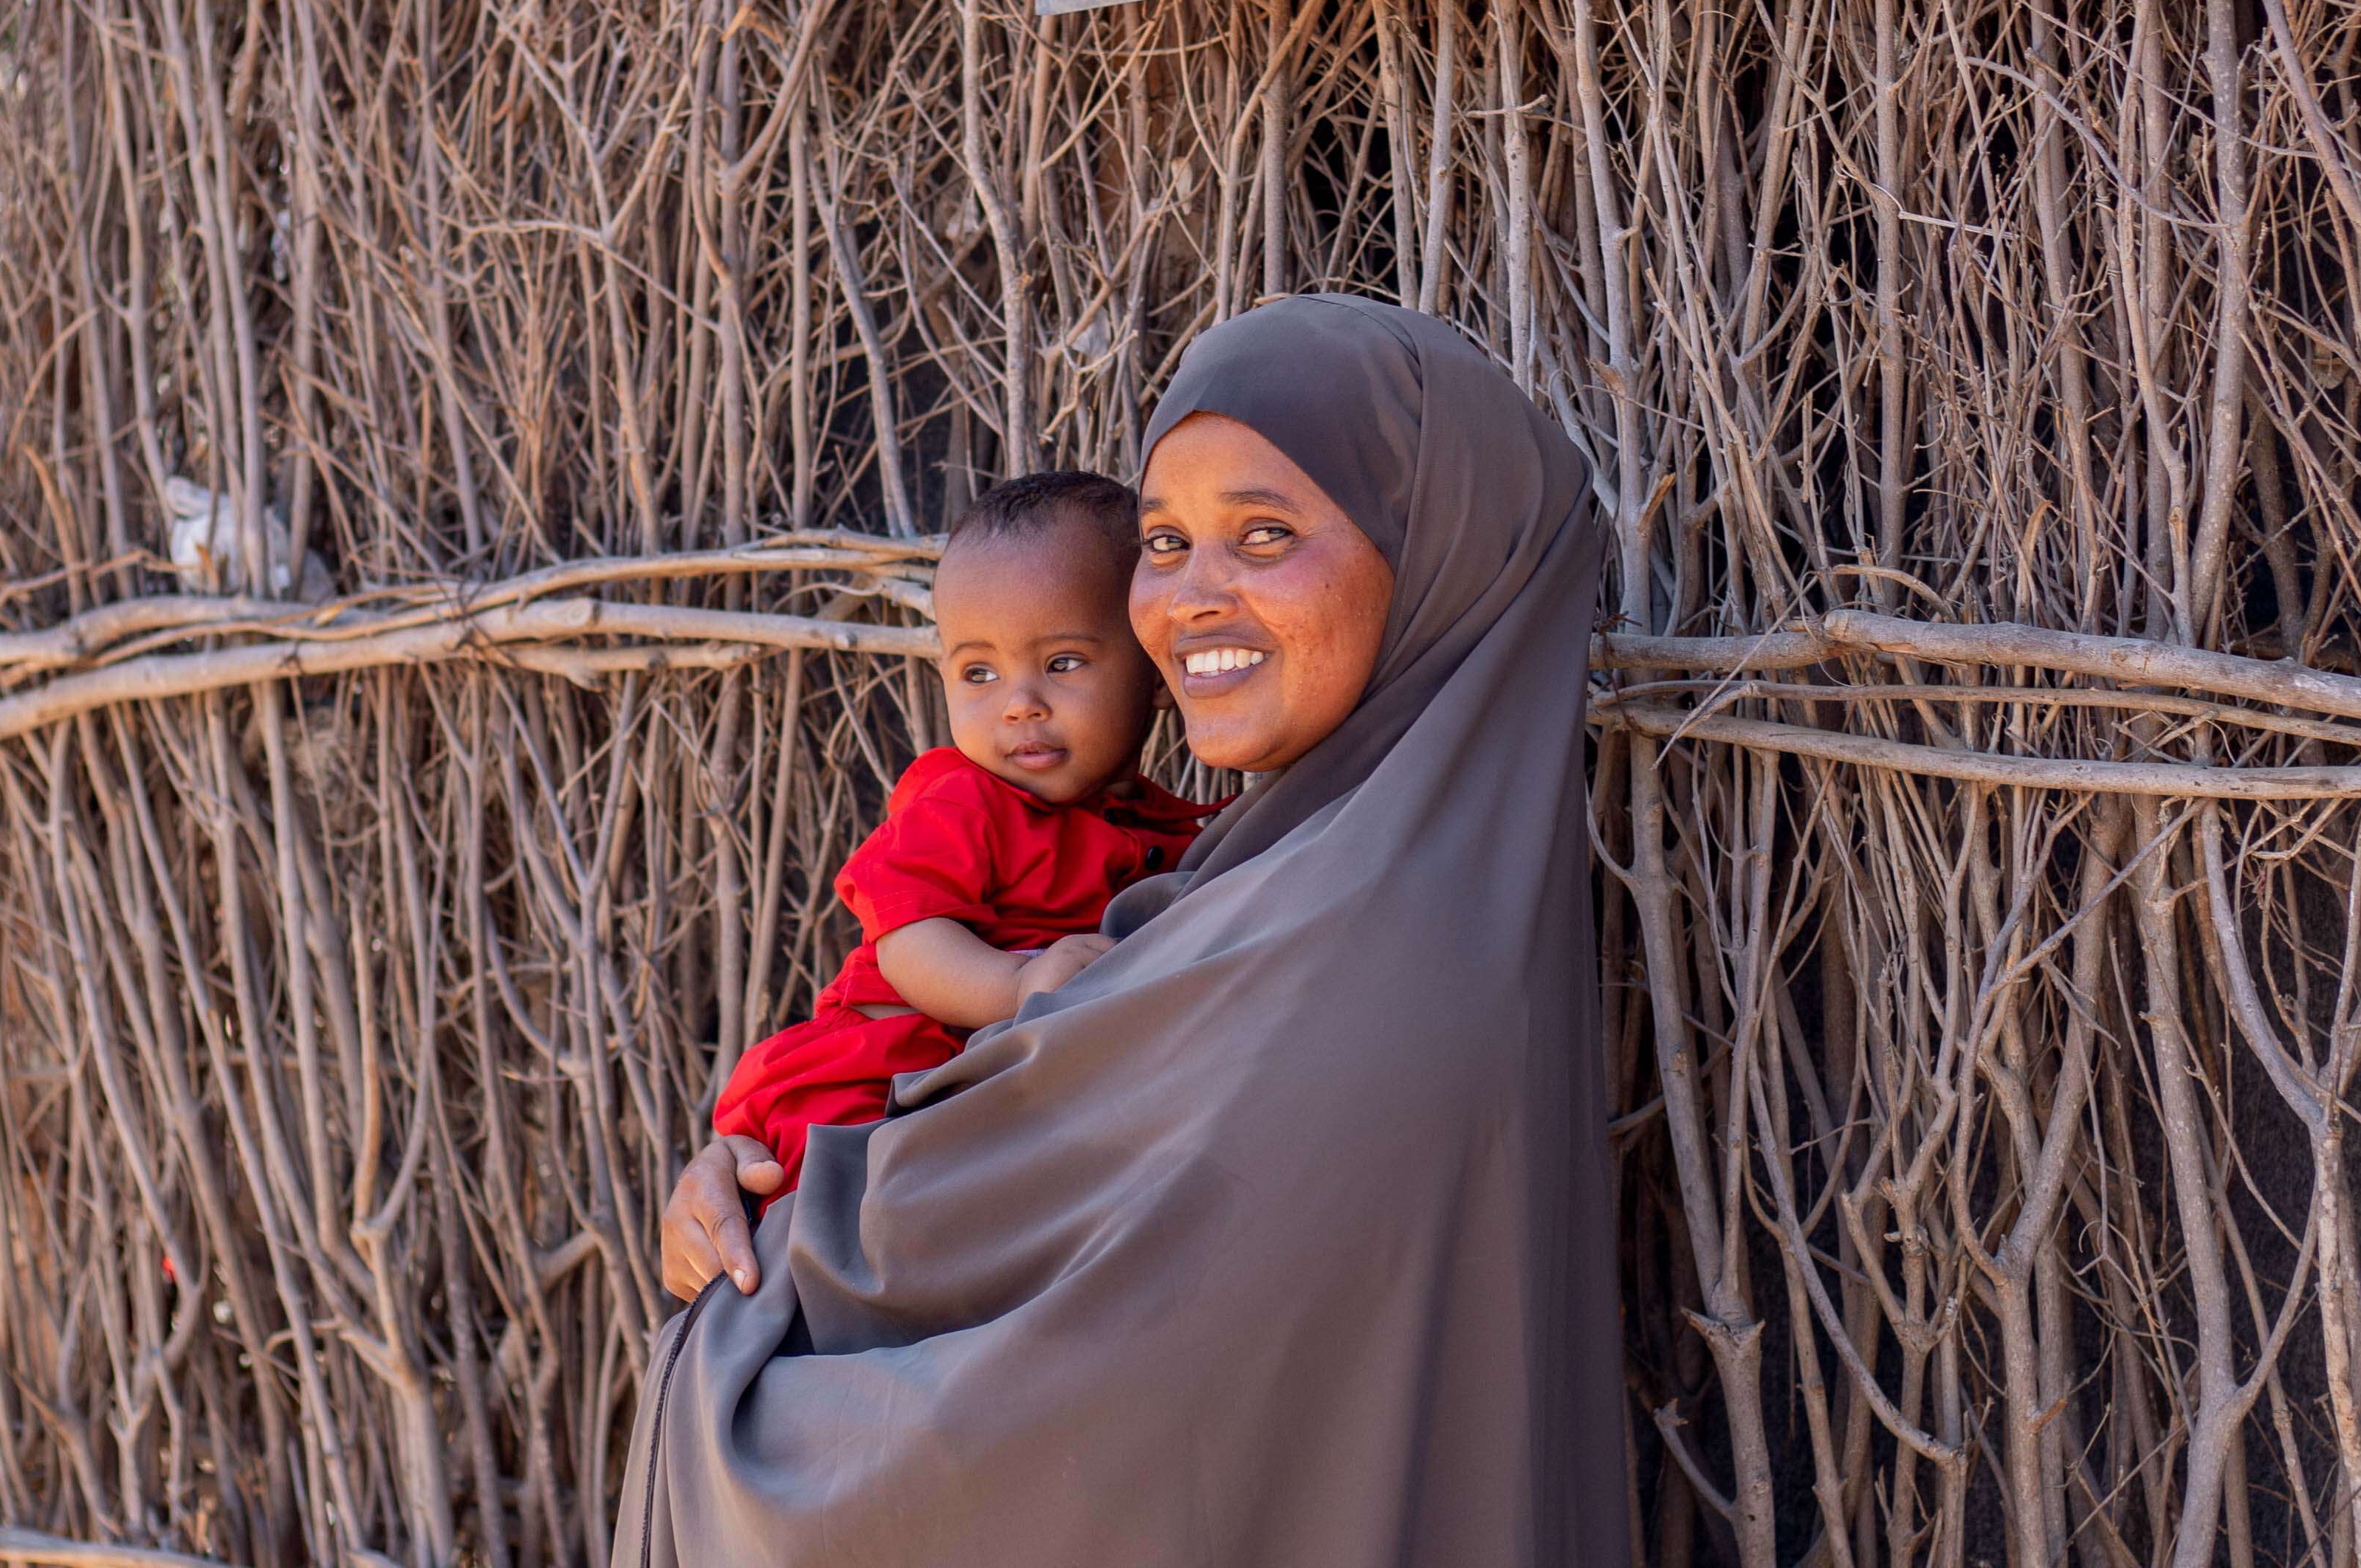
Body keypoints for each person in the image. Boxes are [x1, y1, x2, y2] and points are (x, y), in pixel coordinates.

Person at [619, 296, 1632, 1568]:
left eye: (1264, 533)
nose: (1189, 598)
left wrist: (749, 1301)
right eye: (1164, 541)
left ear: (1440, 553)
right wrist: (763, 1162)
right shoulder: (1283, 878)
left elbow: (1063, 1425)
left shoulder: (1360, 964)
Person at [703, 470, 1220, 1193]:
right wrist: (1018, 984)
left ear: (1156, 673)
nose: (1019, 704)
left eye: (1062, 663)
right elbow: (908, 942)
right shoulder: (961, 800)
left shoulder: (1173, 833)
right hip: (870, 1076)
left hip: (988, 1096)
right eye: (979, 672)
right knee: (848, 1209)